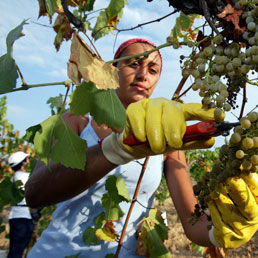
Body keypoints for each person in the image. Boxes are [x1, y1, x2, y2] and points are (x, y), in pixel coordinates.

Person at [25, 38, 258, 257]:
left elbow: (192, 222)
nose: (143, 75)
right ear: (113, 69)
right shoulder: (75, 121)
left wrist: (220, 231)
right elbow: (35, 193)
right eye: (133, 64)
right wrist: (115, 150)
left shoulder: (167, 142)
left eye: (153, 70)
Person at [7, 151, 35, 258]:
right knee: (17, 252)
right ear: (23, 163)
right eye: (27, 159)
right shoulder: (28, 177)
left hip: (13, 216)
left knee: (13, 250)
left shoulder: (11, 179)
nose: (29, 161)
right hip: (24, 218)